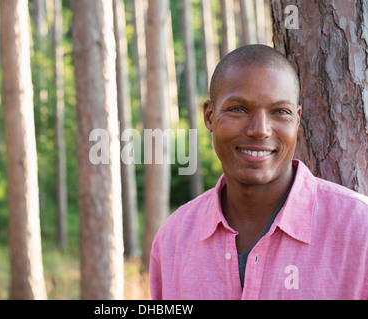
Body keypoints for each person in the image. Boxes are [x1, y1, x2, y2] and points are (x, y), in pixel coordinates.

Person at [149, 44, 368, 299]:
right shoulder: (173, 239)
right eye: (239, 109)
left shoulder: (360, 230)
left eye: (280, 112)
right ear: (209, 116)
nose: (260, 130)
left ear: (297, 120)